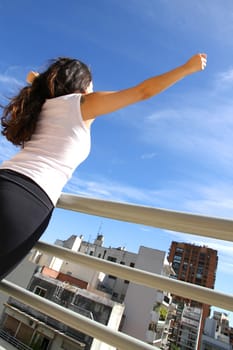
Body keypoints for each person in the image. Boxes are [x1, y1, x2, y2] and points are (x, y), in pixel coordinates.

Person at [0, 53, 207, 280]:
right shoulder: (80, 104)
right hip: (25, 202)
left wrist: (40, 81)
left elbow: (34, 78)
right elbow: (142, 91)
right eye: (91, 84)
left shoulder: (40, 106)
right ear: (81, 86)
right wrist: (186, 68)